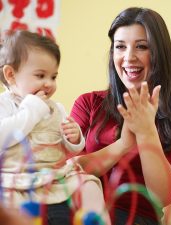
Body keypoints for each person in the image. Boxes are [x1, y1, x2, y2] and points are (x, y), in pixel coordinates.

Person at [71, 7, 171, 225]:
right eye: (120, 47)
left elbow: (162, 197)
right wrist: (123, 144)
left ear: (159, 53)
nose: (129, 57)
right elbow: (70, 174)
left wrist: (147, 131)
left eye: (142, 46)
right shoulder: (88, 103)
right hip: (83, 213)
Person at [0, 30, 111, 225]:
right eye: (40, 75)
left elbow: (65, 148)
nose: (49, 84)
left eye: (53, 76)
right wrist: (31, 111)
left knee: (89, 184)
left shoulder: (56, 108)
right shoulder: (5, 104)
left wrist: (74, 138)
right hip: (16, 180)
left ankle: (94, 220)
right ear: (10, 75)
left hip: (54, 175)